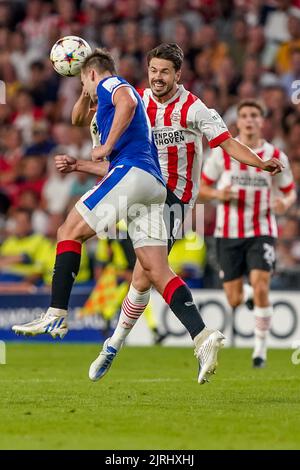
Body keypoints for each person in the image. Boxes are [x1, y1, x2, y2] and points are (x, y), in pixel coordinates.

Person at [52, 44, 282, 382]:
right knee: (146, 272)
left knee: (147, 273)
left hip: (175, 199)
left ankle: (115, 343)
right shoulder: (135, 102)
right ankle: (168, 340)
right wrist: (87, 87)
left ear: (178, 75)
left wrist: (260, 163)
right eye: (153, 71)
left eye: (165, 72)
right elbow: (97, 138)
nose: (158, 78)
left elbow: (229, 143)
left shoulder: (194, 108)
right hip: (138, 186)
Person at [12, 48, 230, 385]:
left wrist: (102, 136)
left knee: (68, 231)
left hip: (134, 175)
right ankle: (203, 336)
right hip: (152, 186)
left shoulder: (115, 86)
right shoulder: (105, 110)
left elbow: (125, 100)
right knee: (155, 270)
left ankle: (56, 314)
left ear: (93, 75)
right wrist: (83, 158)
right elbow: (78, 120)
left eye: (87, 83)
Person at [199, 99, 296, 368]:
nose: (249, 119)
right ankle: (250, 296)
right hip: (227, 232)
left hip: (261, 229)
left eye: (255, 115)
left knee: (261, 283)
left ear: (261, 121)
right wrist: (219, 193)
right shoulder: (221, 154)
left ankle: (260, 351)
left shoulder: (275, 154)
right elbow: (201, 189)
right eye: (244, 115)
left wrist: (283, 204)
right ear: (238, 121)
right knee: (234, 298)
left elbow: (289, 193)